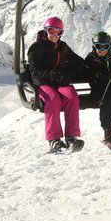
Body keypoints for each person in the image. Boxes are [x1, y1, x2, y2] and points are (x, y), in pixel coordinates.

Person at [27, 16, 85, 153]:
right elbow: (34, 70)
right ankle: (54, 140)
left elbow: (74, 58)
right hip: (43, 83)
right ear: (45, 30)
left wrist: (85, 65)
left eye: (58, 32)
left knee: (72, 97)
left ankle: (71, 137)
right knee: (52, 99)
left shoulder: (63, 46)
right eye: (51, 31)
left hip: (60, 82)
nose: (54, 35)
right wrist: (48, 75)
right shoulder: (36, 48)